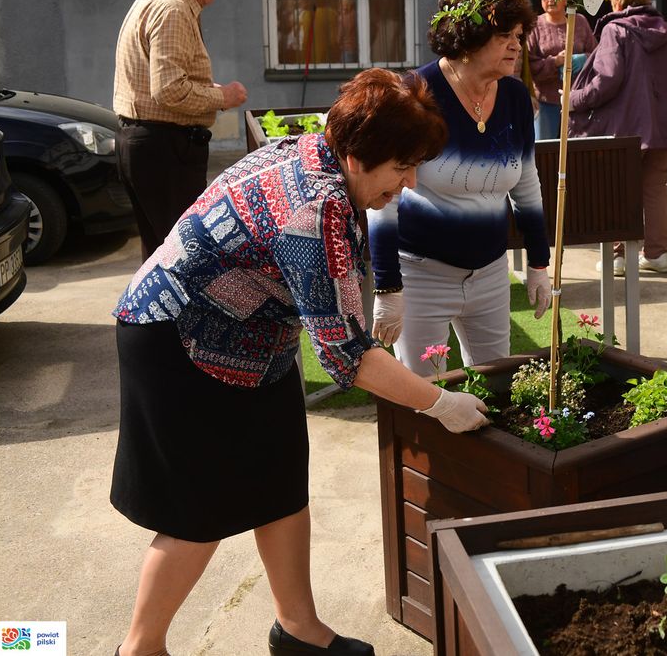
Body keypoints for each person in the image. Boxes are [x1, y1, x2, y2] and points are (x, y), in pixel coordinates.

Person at [110, 69, 489, 656]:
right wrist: (440, 402)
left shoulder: (323, 151)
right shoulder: (314, 211)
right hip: (180, 340)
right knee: (200, 508)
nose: (410, 183)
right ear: (361, 156)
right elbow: (345, 358)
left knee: (280, 481)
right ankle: (140, 648)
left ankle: (298, 630)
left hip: (254, 342)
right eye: (402, 167)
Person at [369, 0, 551, 374]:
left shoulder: (516, 98)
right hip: (421, 276)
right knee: (427, 398)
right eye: (504, 35)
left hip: (489, 274)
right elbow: (384, 199)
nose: (515, 46)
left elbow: (525, 185)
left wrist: (539, 263)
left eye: (519, 36)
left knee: (496, 394)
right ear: (469, 35)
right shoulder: (417, 94)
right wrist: (388, 285)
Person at [113, 0, 249, 260]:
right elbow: (170, 90)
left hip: (152, 146)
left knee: (159, 258)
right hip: (164, 150)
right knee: (184, 261)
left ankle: (149, 314)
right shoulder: (172, 9)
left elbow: (166, 81)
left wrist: (210, 90)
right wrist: (223, 97)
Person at [569, 0, 667, 275]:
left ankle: (618, 256)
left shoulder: (615, 30)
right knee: (654, 189)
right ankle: (657, 255)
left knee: (617, 189)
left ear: (618, 0)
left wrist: (574, 99)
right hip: (662, 127)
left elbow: (608, 79)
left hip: (624, 128)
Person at [525, 0, 597, 139]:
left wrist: (583, 59)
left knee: (575, 154)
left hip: (577, 101)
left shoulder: (579, 21)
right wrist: (555, 62)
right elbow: (530, 66)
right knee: (546, 153)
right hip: (546, 103)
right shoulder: (535, 26)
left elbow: (596, 55)